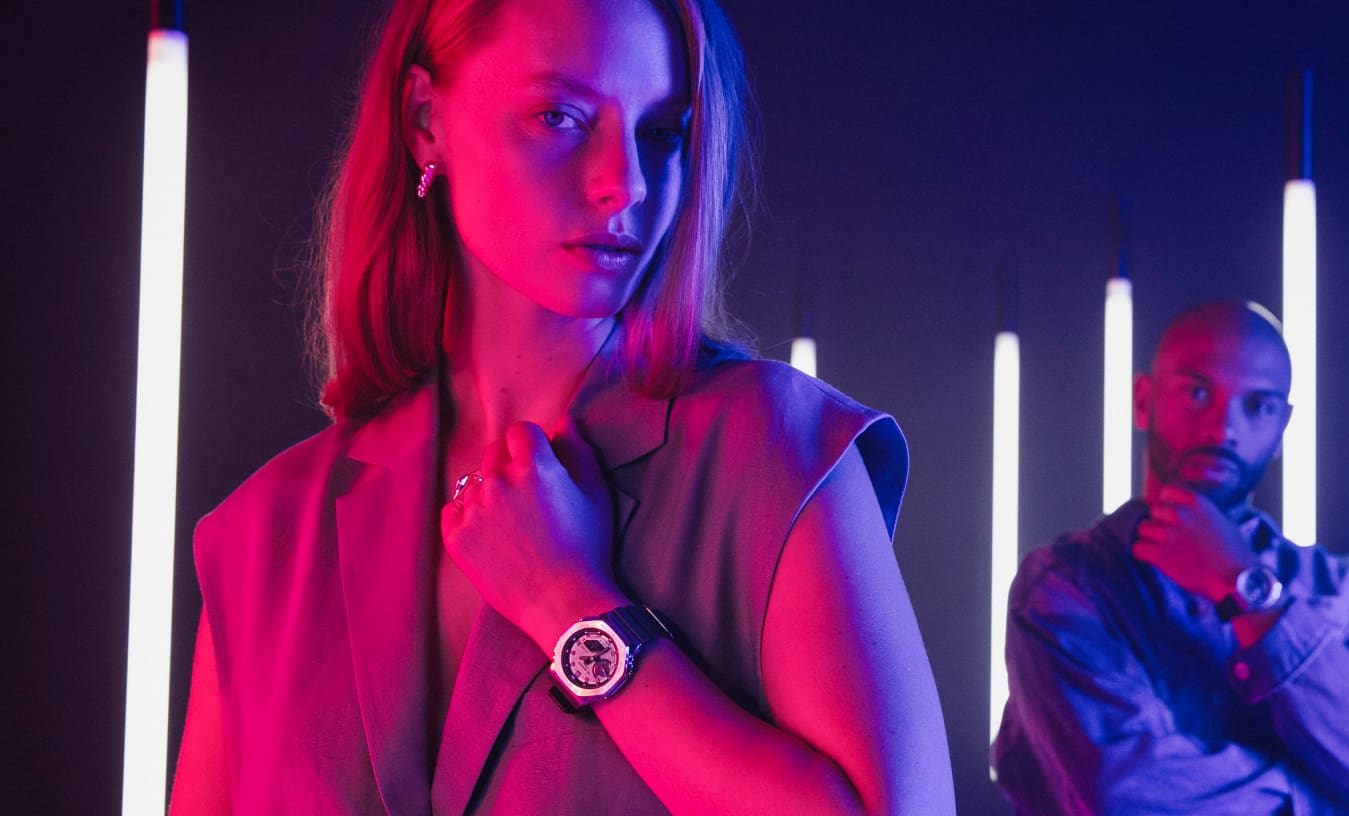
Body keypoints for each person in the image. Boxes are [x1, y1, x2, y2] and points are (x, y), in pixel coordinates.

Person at [168, 0, 954, 812]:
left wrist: (576, 610)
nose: (626, 184)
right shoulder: (262, 538)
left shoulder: (778, 453)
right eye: (560, 116)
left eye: (661, 132)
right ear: (424, 120)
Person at [991, 302, 1349, 815]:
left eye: (1259, 405)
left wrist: (1245, 586)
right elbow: (1123, 792)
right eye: (1198, 391)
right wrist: (1321, 795)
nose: (1223, 427)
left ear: (1281, 430)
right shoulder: (1062, 588)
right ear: (1143, 401)